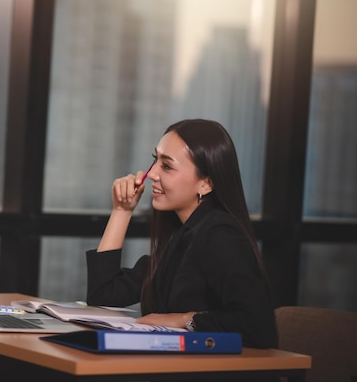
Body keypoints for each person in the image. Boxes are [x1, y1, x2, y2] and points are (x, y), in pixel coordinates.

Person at [86, 119, 277, 349]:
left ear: (205, 184)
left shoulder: (220, 235)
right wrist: (121, 211)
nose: (152, 173)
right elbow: (103, 296)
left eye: (166, 166)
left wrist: (185, 319)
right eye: (155, 160)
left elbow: (258, 328)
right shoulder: (180, 236)